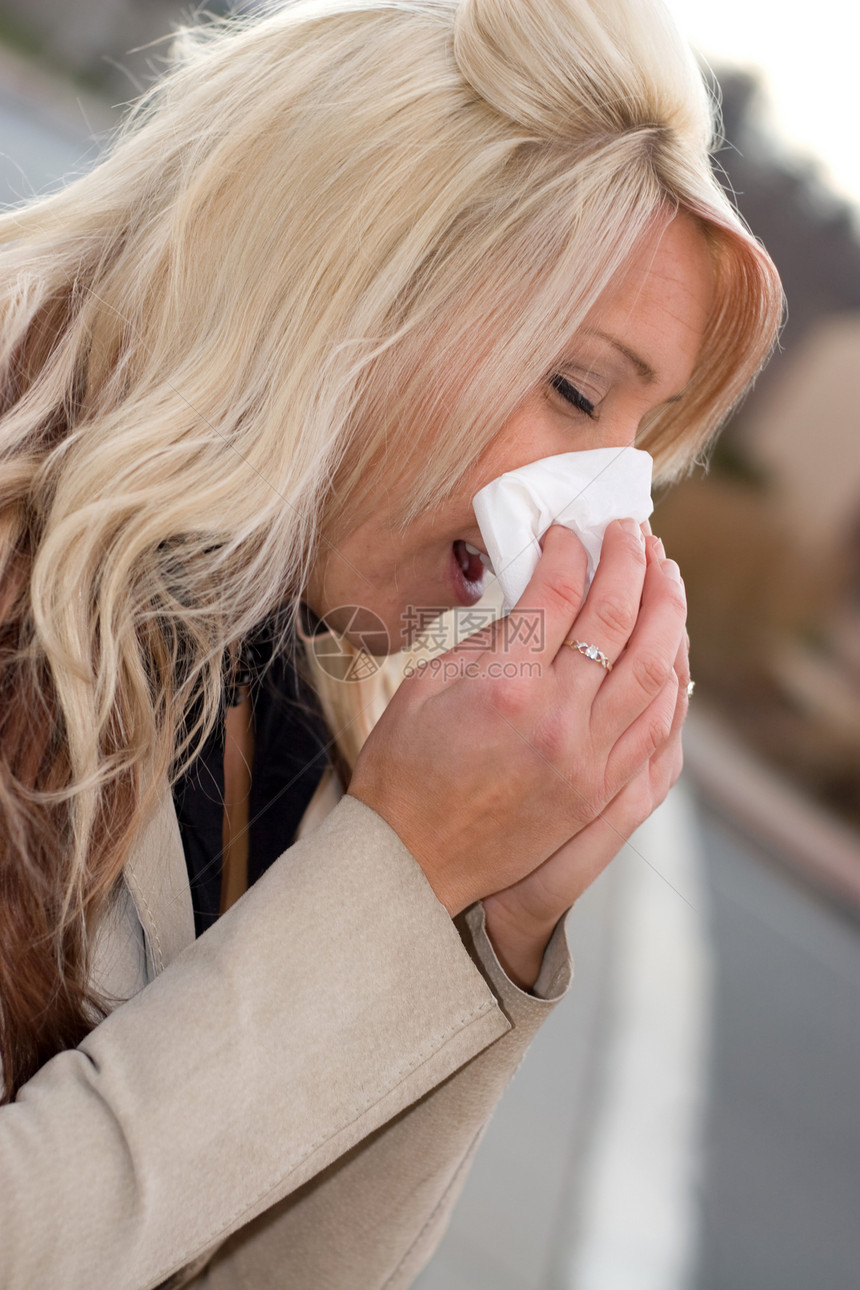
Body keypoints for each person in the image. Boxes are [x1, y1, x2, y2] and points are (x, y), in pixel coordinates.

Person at [0, 0, 781, 1285]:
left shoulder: (289, 695)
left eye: (638, 453)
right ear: (355, 268)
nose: (601, 510)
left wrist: (481, 922)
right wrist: (398, 878)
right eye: (576, 391)